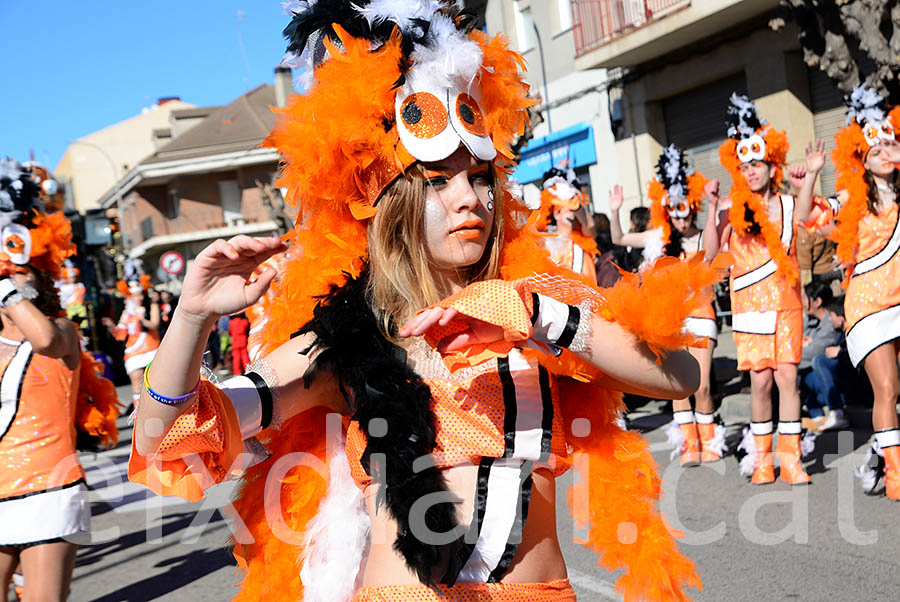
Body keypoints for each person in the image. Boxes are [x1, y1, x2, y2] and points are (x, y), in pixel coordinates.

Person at [127, 3, 716, 600]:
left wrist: (530, 318)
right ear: (392, 205)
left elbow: (679, 375)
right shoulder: (352, 333)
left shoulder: (540, 298)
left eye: (480, 177)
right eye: (438, 180)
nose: (471, 200)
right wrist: (193, 318)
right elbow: (165, 436)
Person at [0, 157, 120, 600]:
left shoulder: (63, 332)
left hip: (49, 488)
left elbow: (45, 338)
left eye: (20, 275)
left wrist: (5, 285)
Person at [712, 93, 823, 486]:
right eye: (744, 165)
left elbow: (810, 214)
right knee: (760, 381)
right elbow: (710, 251)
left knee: (787, 378)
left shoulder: (789, 206)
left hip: (787, 304)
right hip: (749, 308)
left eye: (757, 163)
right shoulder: (730, 208)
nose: (751, 171)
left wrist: (811, 174)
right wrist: (712, 211)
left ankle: (792, 458)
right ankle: (762, 459)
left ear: (770, 164)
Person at [796, 85, 900, 499]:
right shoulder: (852, 198)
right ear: (863, 159)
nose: (887, 154)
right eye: (877, 151)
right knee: (887, 389)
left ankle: (877, 454)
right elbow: (806, 217)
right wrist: (812, 174)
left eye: (891, 145)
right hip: (869, 307)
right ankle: (894, 474)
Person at [610, 145, 726, 465]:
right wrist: (616, 210)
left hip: (701, 316)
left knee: (700, 383)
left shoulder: (701, 237)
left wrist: (715, 209)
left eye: (686, 209)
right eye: (674, 210)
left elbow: (713, 252)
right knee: (678, 386)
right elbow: (619, 238)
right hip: (671, 321)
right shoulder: (657, 240)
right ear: (667, 210)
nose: (681, 217)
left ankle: (708, 439)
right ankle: (689, 445)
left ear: (694, 208)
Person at [102, 275, 160, 412]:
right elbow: (121, 334)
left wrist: (141, 318)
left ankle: (159, 410)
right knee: (136, 382)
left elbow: (155, 324)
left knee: (156, 381)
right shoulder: (126, 313)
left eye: (140, 295)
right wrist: (111, 326)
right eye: (134, 296)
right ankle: (139, 413)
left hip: (152, 348)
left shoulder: (150, 305)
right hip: (134, 351)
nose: (138, 298)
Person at [536, 164, 598, 284]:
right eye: (567, 205)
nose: (571, 208)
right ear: (557, 214)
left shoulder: (582, 241)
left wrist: (578, 208)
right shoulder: (545, 242)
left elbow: (590, 227)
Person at [798, 281, 847, 431]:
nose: (802, 301)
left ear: (817, 301)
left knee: (810, 363)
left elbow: (812, 352)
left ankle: (837, 413)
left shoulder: (831, 322)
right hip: (815, 380)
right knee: (799, 372)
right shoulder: (810, 319)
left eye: (805, 298)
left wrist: (797, 346)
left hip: (840, 383)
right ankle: (816, 415)